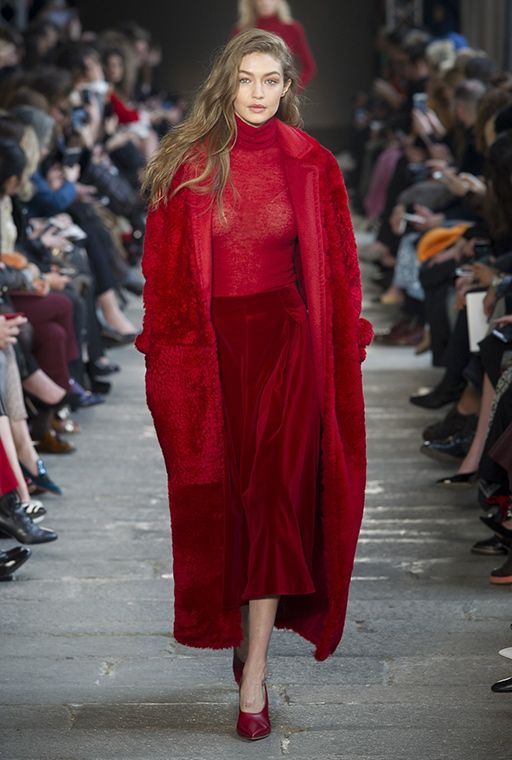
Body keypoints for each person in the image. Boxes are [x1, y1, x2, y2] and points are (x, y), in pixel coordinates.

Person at [137, 29, 372, 741]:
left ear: (289, 87)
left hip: (286, 350)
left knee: (273, 502)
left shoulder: (313, 164)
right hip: (210, 356)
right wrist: (164, 360)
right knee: (229, 507)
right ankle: (245, 639)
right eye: (247, 79)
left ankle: (255, 675)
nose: (260, 92)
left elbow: (340, 269)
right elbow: (162, 276)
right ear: (227, 84)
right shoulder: (188, 164)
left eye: (272, 80)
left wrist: (344, 346)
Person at [232, 0, 316, 88]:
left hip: (279, 90)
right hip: (248, 90)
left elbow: (309, 67)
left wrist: (290, 89)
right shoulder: (241, 30)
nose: (265, 2)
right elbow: (232, 66)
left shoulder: (292, 29)